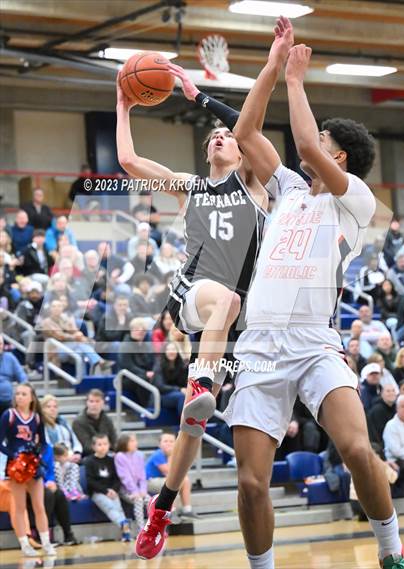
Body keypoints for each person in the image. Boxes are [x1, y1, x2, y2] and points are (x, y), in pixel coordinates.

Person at [221, 19, 404, 569]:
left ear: (340, 157)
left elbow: (302, 140)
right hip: (258, 344)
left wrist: (297, 81)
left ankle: (390, 550)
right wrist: (272, 66)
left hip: (313, 342)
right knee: (252, 483)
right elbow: (249, 133)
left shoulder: (357, 202)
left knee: (355, 448)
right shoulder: (290, 188)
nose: (312, 145)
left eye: (325, 142)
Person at [117, 46, 268, 558]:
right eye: (215, 139)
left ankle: (159, 511)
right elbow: (129, 161)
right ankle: (204, 380)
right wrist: (124, 103)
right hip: (197, 295)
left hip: (240, 321)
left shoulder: (258, 188)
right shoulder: (193, 187)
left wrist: (199, 95)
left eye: (228, 135)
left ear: (242, 150)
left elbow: (250, 121)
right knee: (223, 298)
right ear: (207, 154)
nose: (223, 138)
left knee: (192, 425)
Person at [0, 384, 55, 557]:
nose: (20, 397)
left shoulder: (37, 418)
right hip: (16, 467)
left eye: (24, 394)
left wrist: (38, 454)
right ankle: (24, 544)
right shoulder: (8, 415)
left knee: (39, 505)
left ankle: (46, 543)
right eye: (17, 394)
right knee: (19, 507)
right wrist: (14, 455)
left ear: (32, 398)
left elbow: (45, 442)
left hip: (33, 465)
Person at [84, 434, 131, 542]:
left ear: (109, 445)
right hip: (97, 492)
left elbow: (117, 478)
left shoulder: (112, 460)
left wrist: (114, 490)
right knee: (109, 506)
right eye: (99, 444)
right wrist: (105, 491)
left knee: (118, 508)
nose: (103, 447)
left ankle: (125, 533)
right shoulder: (89, 461)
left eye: (105, 444)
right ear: (93, 447)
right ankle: (123, 524)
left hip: (112, 491)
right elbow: (90, 481)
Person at [145, 432, 196, 520]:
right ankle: (172, 511)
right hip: (149, 482)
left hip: (163, 480)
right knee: (175, 481)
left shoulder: (176, 454)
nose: (168, 443)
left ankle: (187, 510)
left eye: (171, 441)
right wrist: (171, 455)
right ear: (159, 444)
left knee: (185, 480)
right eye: (165, 441)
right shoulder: (158, 454)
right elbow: (169, 472)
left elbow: (181, 471)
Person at [118, 317, 156, 407]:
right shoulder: (126, 345)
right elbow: (128, 366)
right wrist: (145, 373)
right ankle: (147, 408)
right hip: (127, 377)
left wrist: (154, 371)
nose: (140, 332)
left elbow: (153, 361)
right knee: (143, 379)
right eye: (137, 329)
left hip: (143, 374)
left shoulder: (147, 344)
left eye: (143, 330)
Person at [115, 433, 148, 532]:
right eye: (132, 441)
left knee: (151, 502)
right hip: (125, 490)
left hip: (138, 488)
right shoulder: (119, 456)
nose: (135, 443)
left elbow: (142, 475)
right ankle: (141, 530)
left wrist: (143, 490)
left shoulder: (139, 455)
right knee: (138, 500)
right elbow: (125, 477)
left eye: (135, 440)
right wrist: (135, 491)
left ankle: (154, 528)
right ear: (124, 443)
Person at [72, 389, 117, 456]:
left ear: (103, 403)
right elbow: (86, 446)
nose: (94, 404)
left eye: (97, 401)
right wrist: (104, 449)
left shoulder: (107, 420)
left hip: (107, 454)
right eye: (91, 401)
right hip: (88, 457)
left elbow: (114, 440)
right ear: (87, 403)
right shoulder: (78, 422)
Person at [41, 394, 83, 460]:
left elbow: (75, 440)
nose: (52, 409)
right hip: (53, 458)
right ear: (42, 409)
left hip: (70, 455)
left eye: (55, 407)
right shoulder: (41, 425)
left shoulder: (63, 422)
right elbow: (47, 445)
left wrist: (77, 453)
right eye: (48, 407)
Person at [154, 342, 188, 421]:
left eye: (173, 349)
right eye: (168, 350)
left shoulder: (181, 365)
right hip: (161, 396)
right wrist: (179, 389)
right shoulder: (159, 365)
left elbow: (184, 384)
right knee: (181, 397)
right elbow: (160, 386)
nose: (171, 352)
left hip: (176, 394)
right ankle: (185, 424)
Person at [0, 334, 27, 417]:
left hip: (8, 400)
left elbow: (22, 376)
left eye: (0, 344)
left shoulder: (10, 358)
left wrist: (23, 389)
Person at [368, 385, 397, 452]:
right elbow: (380, 432)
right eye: (388, 391)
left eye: (393, 391)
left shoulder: (396, 408)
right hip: (380, 445)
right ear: (382, 394)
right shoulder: (378, 410)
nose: (391, 393)